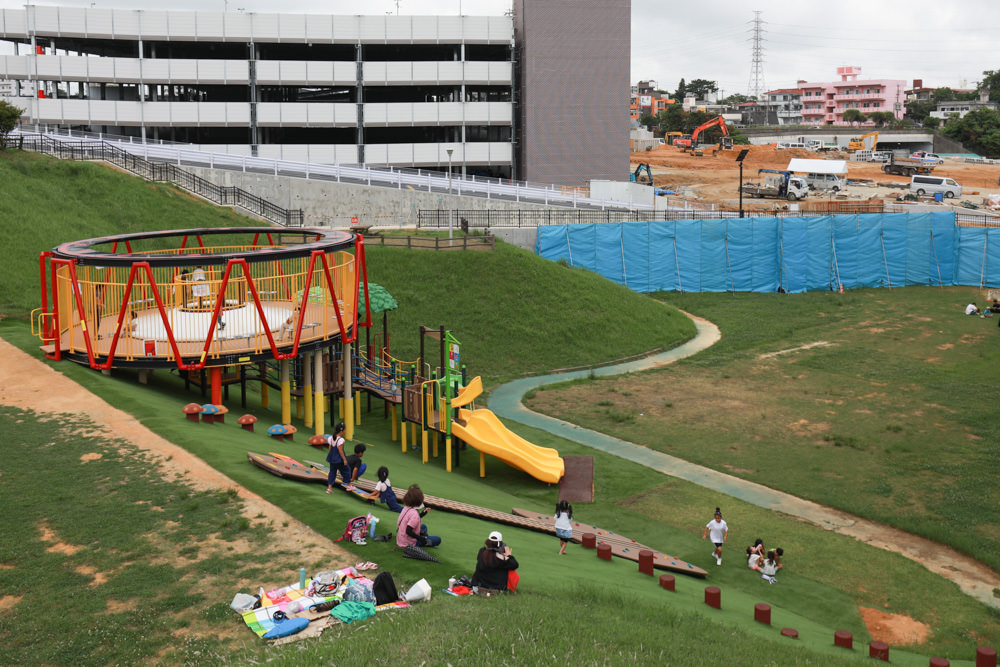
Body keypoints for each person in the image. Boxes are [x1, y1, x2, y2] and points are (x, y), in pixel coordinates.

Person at [396, 484, 440, 549]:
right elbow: (408, 531)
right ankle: (424, 540)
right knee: (438, 539)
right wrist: (421, 539)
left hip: (400, 538)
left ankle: (423, 535)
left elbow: (411, 520)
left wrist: (423, 513)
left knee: (424, 526)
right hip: (408, 542)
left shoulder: (406, 507)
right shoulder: (414, 514)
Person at [325, 422, 354, 493]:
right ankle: (349, 485)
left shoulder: (331, 438)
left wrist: (331, 456)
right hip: (339, 459)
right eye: (345, 430)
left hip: (332, 459)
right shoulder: (341, 440)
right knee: (346, 470)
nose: (345, 431)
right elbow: (340, 451)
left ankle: (329, 488)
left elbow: (330, 448)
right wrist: (344, 460)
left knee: (332, 472)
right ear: (342, 431)